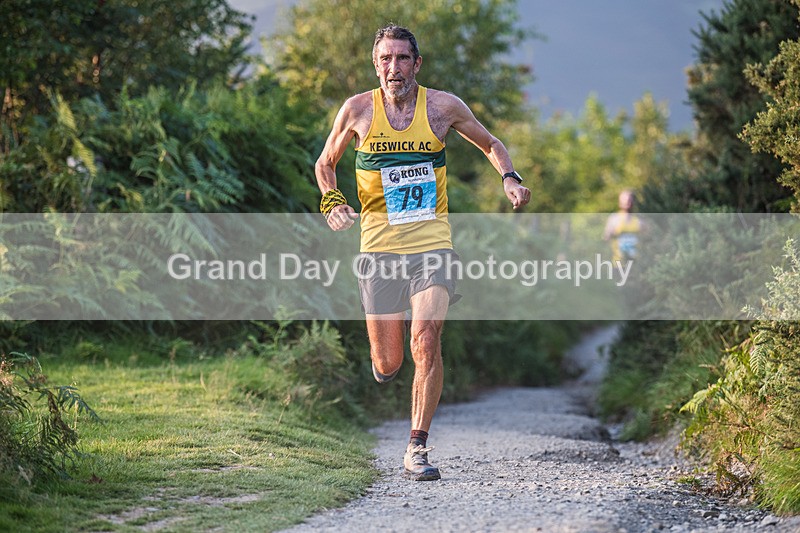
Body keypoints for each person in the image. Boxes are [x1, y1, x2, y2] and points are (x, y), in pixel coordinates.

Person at [315, 25, 530, 481]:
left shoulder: (442, 107)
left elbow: (491, 143)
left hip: (432, 244)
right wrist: (332, 201)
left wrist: (509, 177)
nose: (393, 67)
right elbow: (325, 164)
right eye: (385, 59)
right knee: (389, 361)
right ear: (376, 65)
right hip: (378, 248)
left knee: (426, 339)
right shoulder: (357, 110)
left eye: (402, 58)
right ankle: (384, 365)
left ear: (417, 64)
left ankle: (417, 446)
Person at [603, 189, 642, 262]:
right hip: (619, 262)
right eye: (624, 200)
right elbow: (606, 238)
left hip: (637, 262)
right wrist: (611, 233)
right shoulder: (614, 219)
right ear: (619, 202)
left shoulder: (639, 220)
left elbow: (647, 238)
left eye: (629, 199)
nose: (627, 202)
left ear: (633, 201)